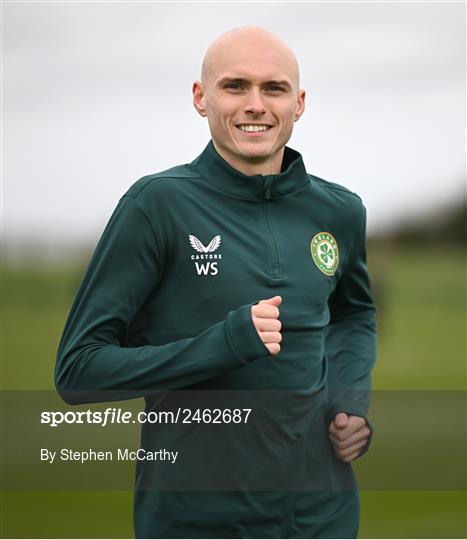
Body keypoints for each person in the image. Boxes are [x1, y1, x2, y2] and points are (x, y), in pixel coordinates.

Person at [55, 26, 376, 538]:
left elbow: (353, 314)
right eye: (234, 87)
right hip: (194, 522)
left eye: (273, 88)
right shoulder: (155, 205)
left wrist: (349, 403)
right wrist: (223, 344)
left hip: (322, 518)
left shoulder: (339, 210)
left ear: (300, 102)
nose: (256, 105)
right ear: (201, 98)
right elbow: (78, 370)